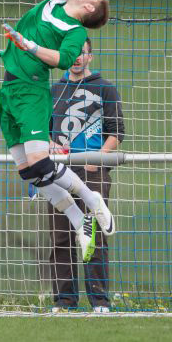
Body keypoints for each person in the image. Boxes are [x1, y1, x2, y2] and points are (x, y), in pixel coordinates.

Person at [0, 0, 114, 265]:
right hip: (9, 90)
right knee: (28, 172)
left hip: (31, 90)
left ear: (90, 6)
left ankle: (89, 203)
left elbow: (63, 60)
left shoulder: (76, 32)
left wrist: (27, 45)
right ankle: (79, 218)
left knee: (42, 165)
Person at [48, 37, 124, 313]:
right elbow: (43, 131)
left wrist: (98, 160)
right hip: (58, 172)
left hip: (92, 172)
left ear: (90, 57)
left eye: (83, 53)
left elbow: (117, 131)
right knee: (60, 237)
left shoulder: (105, 89)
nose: (78, 58)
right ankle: (64, 301)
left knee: (93, 235)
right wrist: (50, 145)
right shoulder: (54, 90)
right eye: (73, 54)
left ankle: (100, 301)